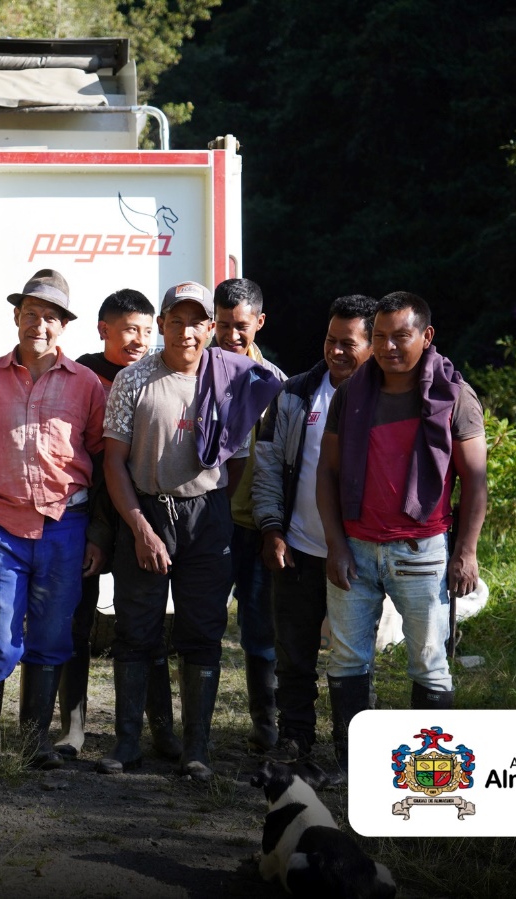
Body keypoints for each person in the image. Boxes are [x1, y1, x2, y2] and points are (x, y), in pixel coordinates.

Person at [101, 281, 283, 778]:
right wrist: (139, 525)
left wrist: (211, 507)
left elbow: (239, 461)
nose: (186, 331)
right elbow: (113, 462)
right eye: (175, 321)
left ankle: (196, 748)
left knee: (202, 632)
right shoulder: (134, 379)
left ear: (211, 327)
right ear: (161, 325)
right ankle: (127, 744)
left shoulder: (232, 378)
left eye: (196, 321)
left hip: (208, 518)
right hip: (145, 513)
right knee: (136, 630)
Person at [315, 291, 487, 776]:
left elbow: (475, 481)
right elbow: (325, 474)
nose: (388, 347)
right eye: (381, 337)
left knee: (429, 662)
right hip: (356, 548)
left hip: (423, 550)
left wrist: (465, 553)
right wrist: (335, 544)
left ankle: (429, 775)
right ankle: (354, 769)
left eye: (401, 336)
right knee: (347, 660)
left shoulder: (455, 396)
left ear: (426, 336)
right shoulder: (351, 394)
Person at [0, 268, 106, 770]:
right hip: (1, 524)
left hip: (65, 526)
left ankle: (33, 740)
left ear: (64, 325)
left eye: (50, 317)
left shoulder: (87, 385)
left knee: (51, 633)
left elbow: (103, 460)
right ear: (16, 318)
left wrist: (97, 535)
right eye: (30, 314)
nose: (38, 325)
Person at [56, 289, 182, 764]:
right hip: (85, 515)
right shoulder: (80, 376)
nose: (140, 340)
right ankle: (72, 728)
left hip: (137, 517)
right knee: (76, 625)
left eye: (148, 331)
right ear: (103, 329)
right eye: (130, 329)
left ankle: (162, 729)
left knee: (143, 627)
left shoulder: (157, 374)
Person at [251, 295, 376, 763]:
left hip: (361, 555)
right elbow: (266, 467)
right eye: (330, 340)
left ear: (372, 344)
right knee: (294, 655)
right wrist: (271, 528)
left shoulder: (386, 398)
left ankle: (355, 749)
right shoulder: (296, 393)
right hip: (298, 548)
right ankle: (296, 736)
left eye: (349, 343)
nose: (336, 351)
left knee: (353, 659)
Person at [212, 278, 287, 753]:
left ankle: (267, 723)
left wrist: (273, 525)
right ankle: (194, 728)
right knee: (200, 629)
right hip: (206, 524)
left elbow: (282, 461)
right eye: (222, 325)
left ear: (259, 322)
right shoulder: (196, 371)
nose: (231, 335)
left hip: (255, 526)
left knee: (260, 632)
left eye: (241, 327)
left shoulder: (277, 383)